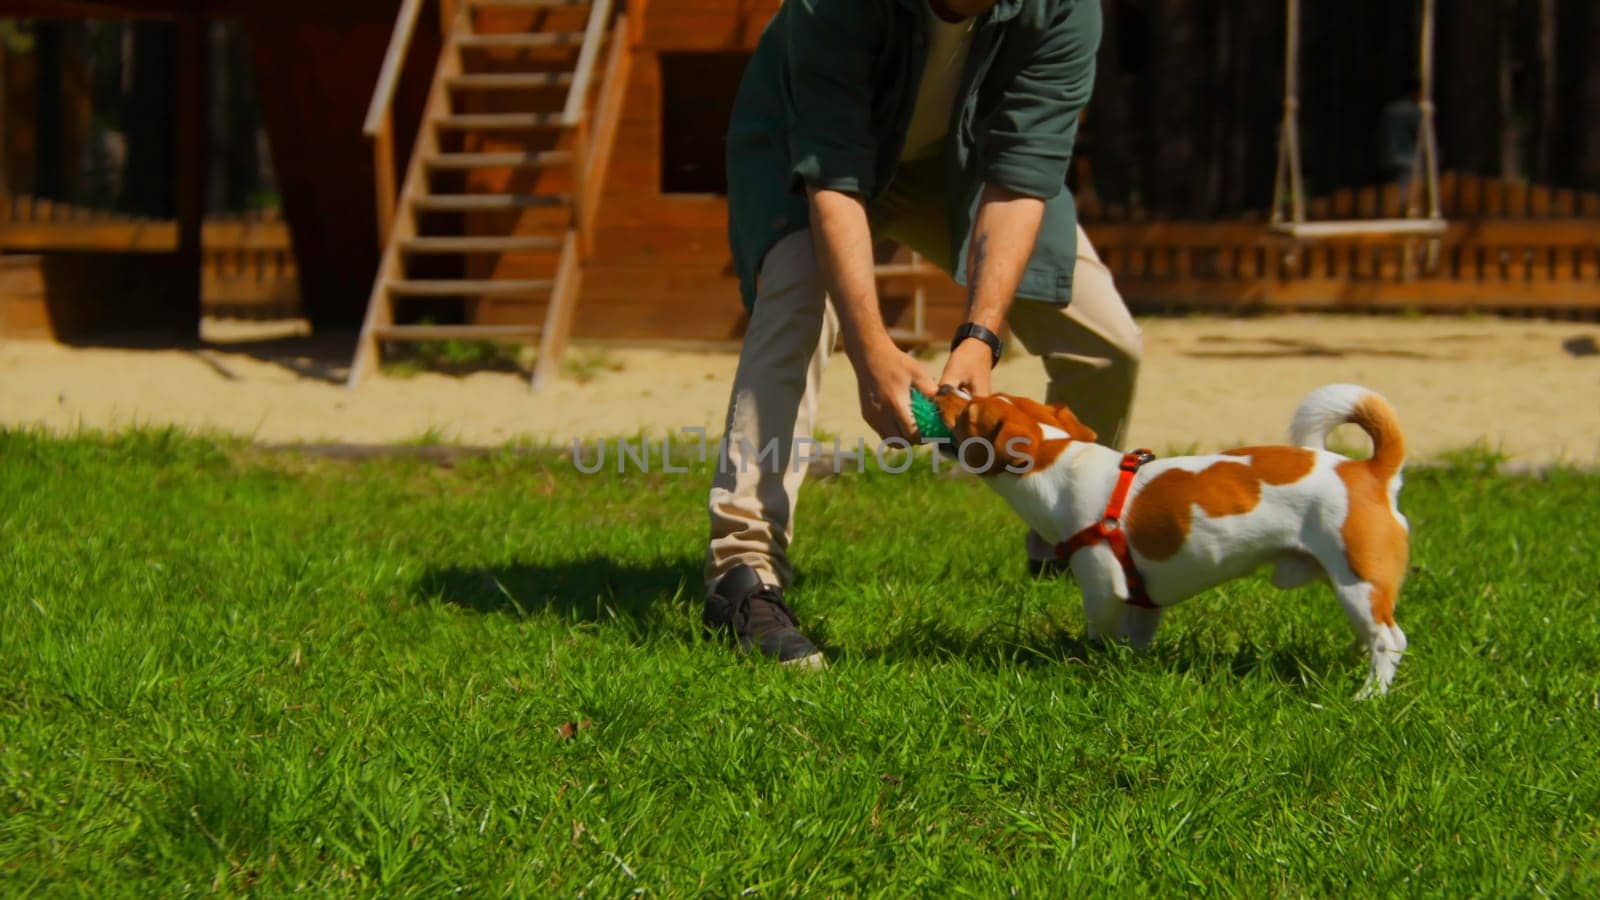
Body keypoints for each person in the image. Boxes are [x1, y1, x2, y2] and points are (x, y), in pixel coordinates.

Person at [702, 0, 1142, 667]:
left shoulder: (1065, 8)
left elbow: (1022, 176)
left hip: (963, 167)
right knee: (793, 299)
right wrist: (871, 350)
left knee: (1108, 344)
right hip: (816, 157)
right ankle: (745, 572)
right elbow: (835, 177)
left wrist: (980, 337)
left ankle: (1068, 534)